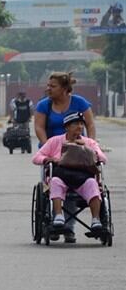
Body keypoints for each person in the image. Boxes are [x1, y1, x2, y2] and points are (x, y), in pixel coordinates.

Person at [34, 72, 96, 243]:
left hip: (76, 150)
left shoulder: (79, 103)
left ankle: (68, 227)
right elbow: (39, 127)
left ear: (64, 89)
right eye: (48, 85)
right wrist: (49, 146)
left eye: (52, 86)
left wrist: (90, 145)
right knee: (54, 182)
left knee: (73, 183)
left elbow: (90, 124)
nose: (48, 89)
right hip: (53, 151)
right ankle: (54, 221)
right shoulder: (43, 105)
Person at [32, 112, 107, 231]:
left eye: (81, 124)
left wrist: (86, 149)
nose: (80, 127)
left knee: (93, 184)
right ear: (67, 127)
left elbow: (102, 159)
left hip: (83, 177)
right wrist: (48, 159)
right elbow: (36, 158)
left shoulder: (89, 142)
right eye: (76, 124)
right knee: (55, 182)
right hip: (62, 177)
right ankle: (58, 216)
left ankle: (96, 220)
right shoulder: (55, 141)